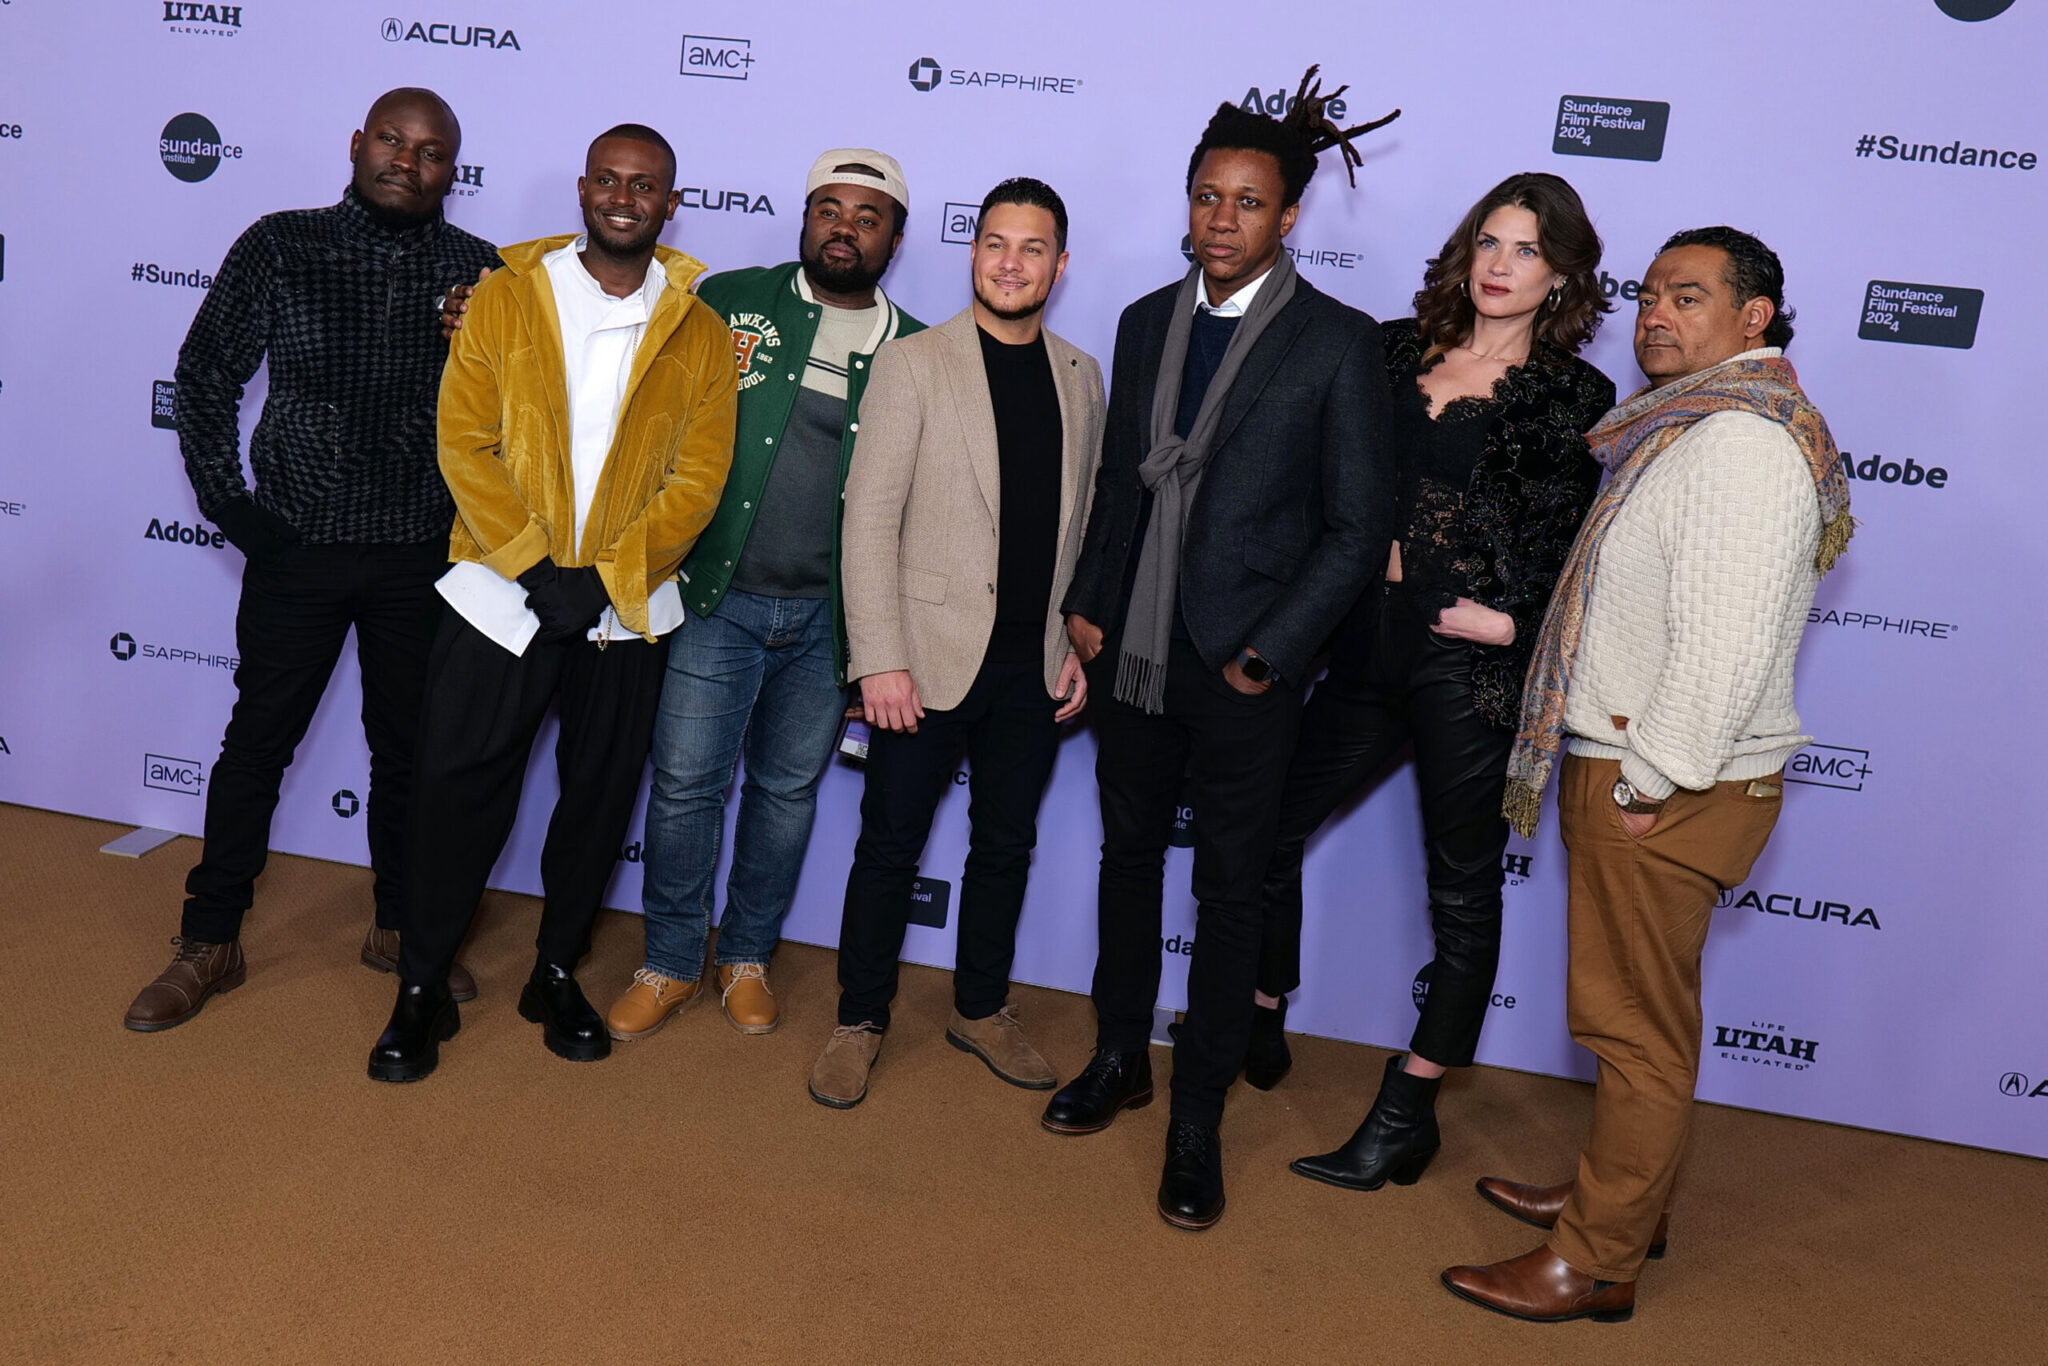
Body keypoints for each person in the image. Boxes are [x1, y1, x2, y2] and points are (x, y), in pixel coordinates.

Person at [1441, 227, 1852, 1322]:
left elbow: (1718, 653)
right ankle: (1626, 1202)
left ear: (1753, 318)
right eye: (1649, 295)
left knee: (1632, 1032)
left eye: (1688, 296)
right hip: (1644, 765)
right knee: (1641, 1023)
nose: (1655, 315)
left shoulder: (1741, 447)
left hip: (1663, 779)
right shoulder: (1696, 428)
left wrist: (1645, 785)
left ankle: (1598, 1257)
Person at [1043, 71, 1397, 1231]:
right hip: (1133, 652)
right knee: (1126, 861)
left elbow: (1356, 529)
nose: (1220, 220)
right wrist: (1087, 609)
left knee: (1230, 888)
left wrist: (1271, 653)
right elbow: (1113, 486)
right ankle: (1116, 1058)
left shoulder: (1337, 344)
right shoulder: (1147, 319)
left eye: (1246, 203)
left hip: (1243, 665)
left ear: (1287, 216)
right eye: (1205, 198)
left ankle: (1196, 1115)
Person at [1255, 173, 1615, 1190]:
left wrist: (1510, 618)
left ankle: (1406, 1108)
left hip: (1461, 662)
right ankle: (1261, 1009)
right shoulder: (1385, 349)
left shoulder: (1569, 395)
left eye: (1526, 252)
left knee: (1460, 896)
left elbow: (1572, 542)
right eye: (1488, 243)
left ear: (1559, 278)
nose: (1500, 267)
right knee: (1267, 826)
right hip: (1359, 639)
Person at [365, 124, 738, 1082]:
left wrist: (606, 579)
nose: (624, 197)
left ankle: (556, 970)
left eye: (645, 184)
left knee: (598, 800)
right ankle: (420, 987)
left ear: (671, 202)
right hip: (500, 595)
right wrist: (537, 569)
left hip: (622, 612)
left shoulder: (699, 330)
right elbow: (465, 442)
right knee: (456, 795)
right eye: (609, 180)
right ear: (582, 189)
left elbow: (698, 479)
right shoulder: (505, 298)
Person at [124, 88, 498, 1033]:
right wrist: (234, 511)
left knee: (408, 757)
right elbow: (205, 375)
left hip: (421, 554)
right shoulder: (280, 243)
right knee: (257, 746)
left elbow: (511, 421)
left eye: (430, 152)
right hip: (298, 547)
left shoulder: (478, 272)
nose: (406, 164)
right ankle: (210, 938)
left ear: (452, 171)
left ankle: (399, 930)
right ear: (357, 143)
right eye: (391, 141)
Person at [602, 150, 923, 1043]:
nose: (844, 229)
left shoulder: (917, 349)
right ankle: (669, 961)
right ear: (804, 217)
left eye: (867, 217)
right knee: (686, 790)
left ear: (894, 237)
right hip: (720, 597)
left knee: (786, 795)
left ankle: (746, 956)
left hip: (831, 623)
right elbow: (615, 339)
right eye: (829, 208)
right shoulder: (728, 299)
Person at [805, 177, 1104, 1110]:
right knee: (890, 845)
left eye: (1032, 248)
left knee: (1005, 845)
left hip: (1031, 663)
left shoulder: (1082, 376)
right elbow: (868, 523)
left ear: (1060, 264)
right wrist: (878, 658)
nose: (1011, 262)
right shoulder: (914, 363)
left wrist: (1073, 642)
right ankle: (859, 1018)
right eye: (994, 243)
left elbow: (1085, 523)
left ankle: (980, 1008)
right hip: (922, 659)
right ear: (972, 252)